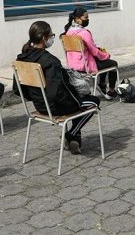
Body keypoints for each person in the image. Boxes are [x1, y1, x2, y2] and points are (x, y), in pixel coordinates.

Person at [15, 21, 100, 154]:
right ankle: (70, 134)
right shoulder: (50, 61)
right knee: (93, 102)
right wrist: (76, 97)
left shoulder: (21, 58)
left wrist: (37, 96)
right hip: (55, 107)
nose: (52, 38)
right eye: (51, 35)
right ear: (44, 38)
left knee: (78, 102)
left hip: (39, 106)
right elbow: (57, 92)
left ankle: (75, 138)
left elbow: (17, 89)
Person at [62, 7, 119, 99]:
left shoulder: (67, 32)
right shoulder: (84, 33)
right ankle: (111, 91)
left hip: (72, 65)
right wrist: (106, 55)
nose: (87, 20)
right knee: (112, 63)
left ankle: (102, 84)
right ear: (77, 19)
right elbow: (95, 52)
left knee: (102, 60)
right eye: (85, 18)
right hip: (85, 66)